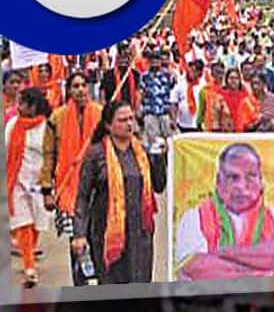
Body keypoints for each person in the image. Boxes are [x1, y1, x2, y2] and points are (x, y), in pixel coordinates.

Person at [72, 101, 167, 284]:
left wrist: (160, 159)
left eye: (131, 119)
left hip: (140, 232)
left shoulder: (142, 152)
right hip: (107, 232)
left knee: (140, 282)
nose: (129, 124)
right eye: (122, 120)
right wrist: (79, 234)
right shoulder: (96, 154)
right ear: (108, 125)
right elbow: (83, 197)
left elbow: (159, 186)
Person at [175, 143, 274, 280]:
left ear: (261, 181)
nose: (241, 187)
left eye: (250, 177)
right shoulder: (194, 218)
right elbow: (196, 268)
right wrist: (259, 273)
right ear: (218, 181)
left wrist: (223, 254)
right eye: (233, 178)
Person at [39, 71, 103, 286]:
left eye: (83, 85)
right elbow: (49, 154)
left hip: (98, 189)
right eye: (75, 86)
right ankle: (80, 285)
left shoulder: (101, 114)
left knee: (98, 238)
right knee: (76, 242)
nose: (80, 90)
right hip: (68, 189)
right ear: (69, 90)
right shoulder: (56, 118)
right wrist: (47, 190)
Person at [5, 88, 52, 287]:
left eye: (22, 103)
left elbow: (51, 155)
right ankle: (29, 267)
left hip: (40, 183)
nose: (19, 107)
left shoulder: (47, 127)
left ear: (32, 106)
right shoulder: (12, 125)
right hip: (17, 182)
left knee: (36, 223)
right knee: (22, 223)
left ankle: (29, 251)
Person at [139, 51, 176, 151]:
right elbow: (141, 93)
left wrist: (173, 117)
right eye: (152, 60)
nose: (155, 62)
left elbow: (174, 95)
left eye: (157, 60)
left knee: (169, 143)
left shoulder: (169, 75)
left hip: (165, 113)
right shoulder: (144, 76)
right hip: (150, 112)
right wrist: (139, 110)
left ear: (160, 61)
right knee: (154, 145)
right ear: (149, 62)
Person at [170, 59, 206, 133]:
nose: (193, 73)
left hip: (198, 125)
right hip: (182, 124)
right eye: (192, 70)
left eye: (196, 71)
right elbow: (173, 103)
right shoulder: (180, 83)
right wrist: (173, 121)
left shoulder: (203, 85)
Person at [197, 60, 234, 132]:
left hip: (225, 129)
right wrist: (199, 124)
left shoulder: (228, 90)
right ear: (212, 73)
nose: (220, 75)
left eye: (222, 72)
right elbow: (201, 110)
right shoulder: (204, 90)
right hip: (209, 128)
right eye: (217, 72)